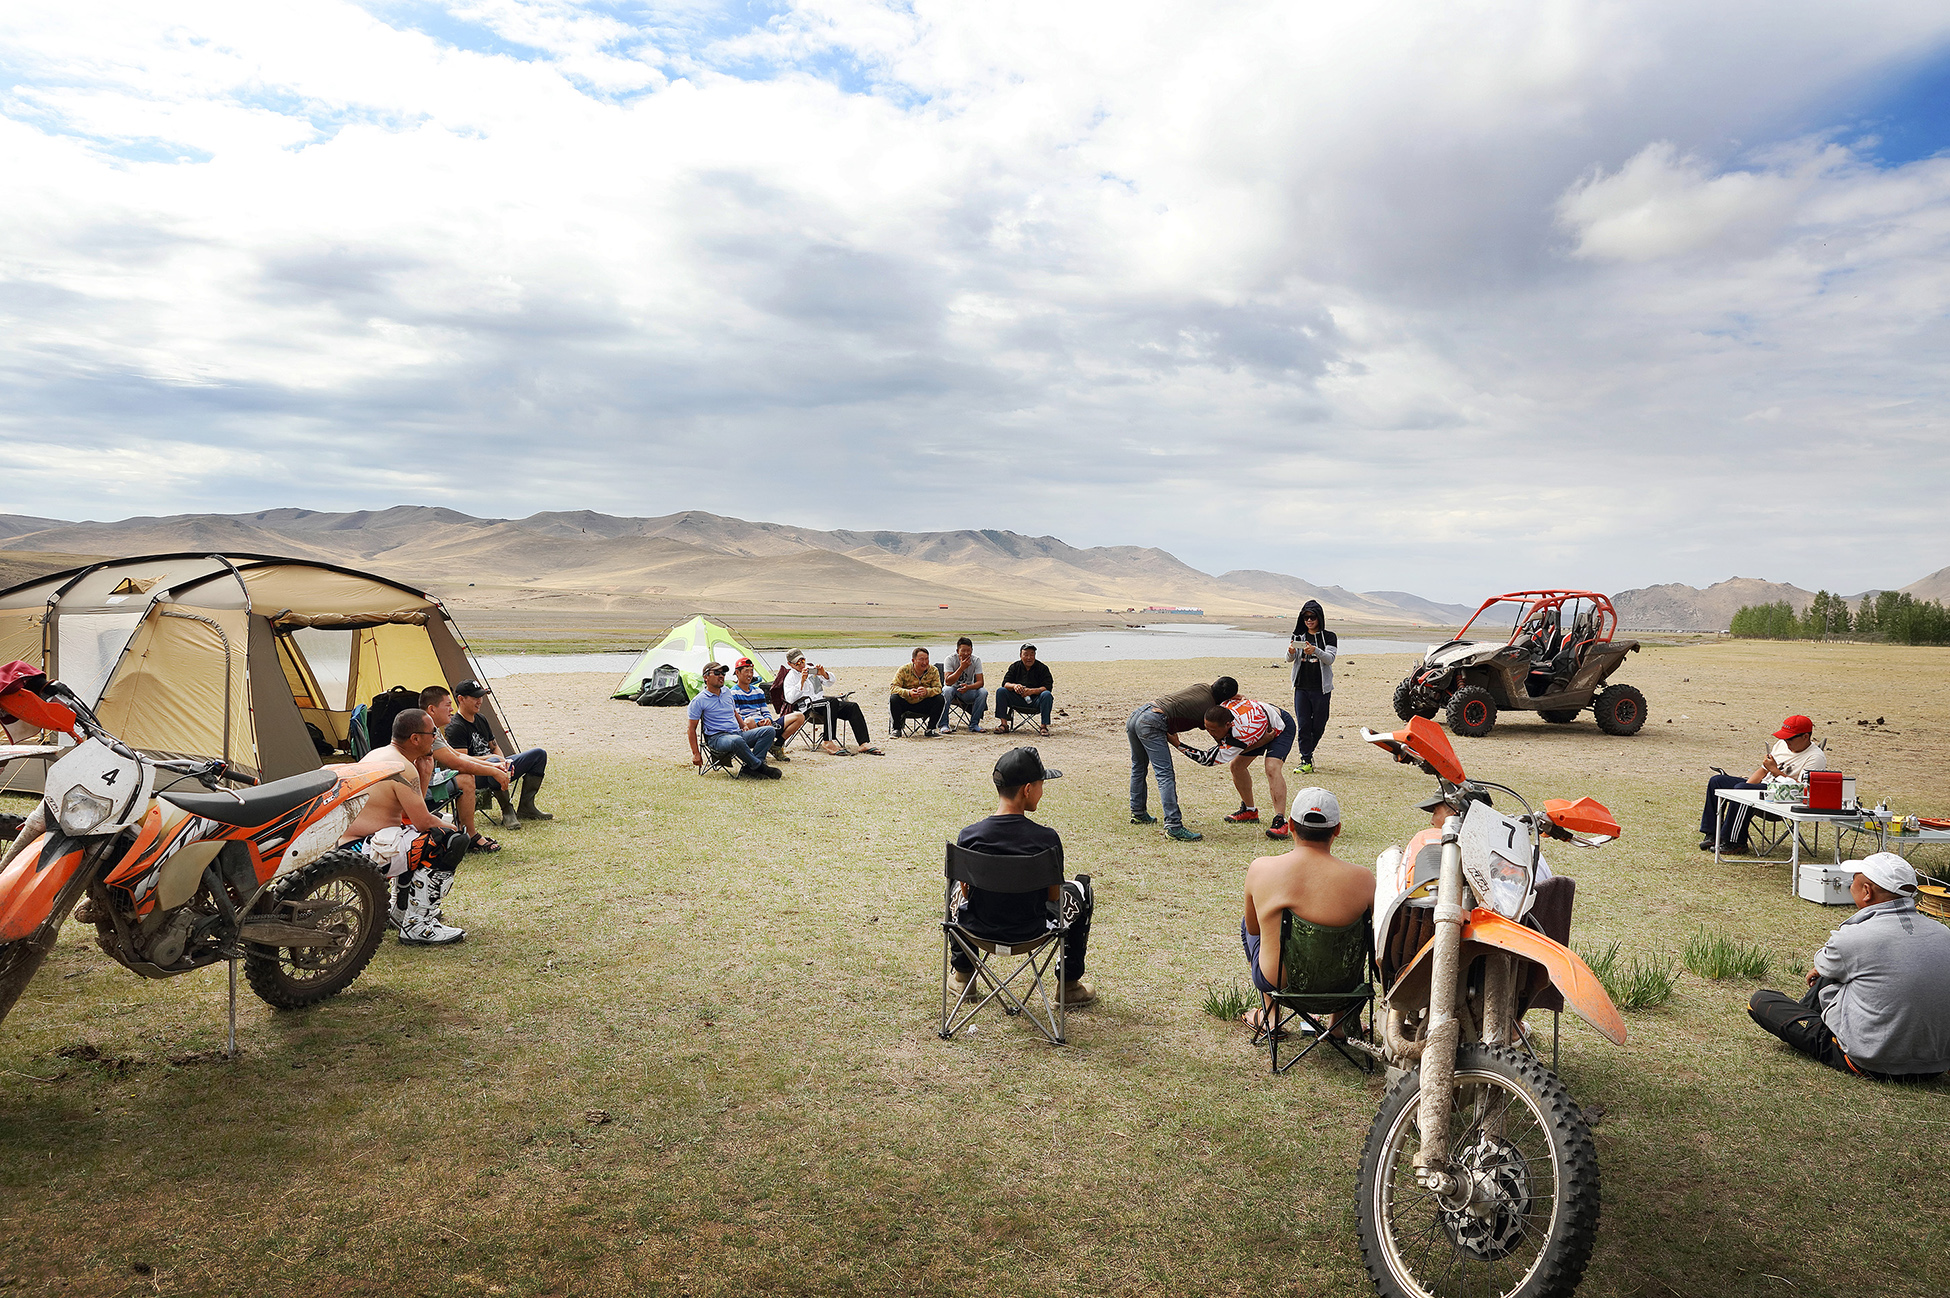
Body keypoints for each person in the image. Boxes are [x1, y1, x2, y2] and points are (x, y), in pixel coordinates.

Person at [1748, 854, 1950, 1081]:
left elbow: (1824, 964)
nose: (1849, 885)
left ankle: (1811, 1022)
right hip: (1935, 1065)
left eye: (1853, 879)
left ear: (1867, 891)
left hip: (1872, 1062)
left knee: (1760, 1001)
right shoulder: (1944, 934)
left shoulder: (1854, 937)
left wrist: (1825, 970)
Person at [949, 746, 1097, 1006]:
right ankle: (1069, 986)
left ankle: (963, 977)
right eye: (1041, 785)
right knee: (1081, 888)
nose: (1042, 792)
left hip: (978, 929)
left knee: (953, 885)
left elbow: (964, 892)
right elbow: (1054, 896)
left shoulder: (969, 837)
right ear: (1027, 789)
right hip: (1032, 930)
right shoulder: (1046, 839)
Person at [1240, 787, 1376, 1032]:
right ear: (1337, 829)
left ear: (1291, 825)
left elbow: (1253, 929)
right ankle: (1338, 1024)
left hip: (1278, 983)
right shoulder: (1364, 879)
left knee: (1252, 924)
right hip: (1343, 987)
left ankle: (1271, 1017)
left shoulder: (1261, 869)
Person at [339, 707, 471, 946]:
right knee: (450, 839)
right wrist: (455, 830)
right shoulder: (402, 767)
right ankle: (417, 925)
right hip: (363, 853)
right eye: (433, 733)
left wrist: (425, 774)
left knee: (419, 836)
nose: (437, 737)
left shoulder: (380, 754)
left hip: (350, 847)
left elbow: (410, 817)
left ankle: (400, 911)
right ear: (415, 739)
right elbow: (423, 822)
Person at [1126, 676, 1239, 842]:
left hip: (1138, 714)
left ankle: (1138, 813)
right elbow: (1215, 730)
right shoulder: (1208, 710)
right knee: (1165, 775)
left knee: (1139, 766)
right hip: (1153, 721)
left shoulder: (1202, 687)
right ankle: (1174, 826)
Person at [1698, 714, 1826, 852]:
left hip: (1782, 797)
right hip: (1764, 787)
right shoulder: (1781, 745)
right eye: (1784, 738)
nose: (1785, 742)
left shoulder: (1815, 757)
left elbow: (1803, 790)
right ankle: (1712, 834)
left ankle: (1735, 842)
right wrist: (1747, 786)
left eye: (1789, 738)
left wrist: (1775, 771)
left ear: (1805, 737)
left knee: (1742, 790)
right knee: (1717, 781)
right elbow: (1763, 771)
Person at [447, 679, 553, 827]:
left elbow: (494, 746)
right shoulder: (455, 726)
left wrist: (504, 764)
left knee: (538, 754)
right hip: (476, 774)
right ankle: (507, 810)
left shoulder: (481, 719)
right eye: (475, 697)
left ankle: (527, 807)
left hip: (496, 766)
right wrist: (494, 761)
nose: (480, 701)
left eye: (481, 697)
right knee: (494, 762)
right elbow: (462, 761)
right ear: (461, 699)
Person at [1187, 697, 1296, 841]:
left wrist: (1177, 744)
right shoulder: (1222, 711)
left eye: (1213, 730)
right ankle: (1250, 811)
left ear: (1228, 724)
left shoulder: (1245, 730)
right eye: (1207, 729)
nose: (1210, 733)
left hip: (1279, 726)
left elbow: (1208, 759)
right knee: (1237, 766)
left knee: (1272, 767)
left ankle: (1280, 820)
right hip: (1258, 728)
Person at [419, 685, 511, 852]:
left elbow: (456, 755)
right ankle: (470, 835)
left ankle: (466, 833)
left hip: (425, 783)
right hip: (418, 791)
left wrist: (494, 764)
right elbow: (457, 763)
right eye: (447, 705)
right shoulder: (424, 731)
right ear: (432, 709)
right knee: (466, 779)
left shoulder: (432, 729)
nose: (452, 709)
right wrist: (494, 770)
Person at [687, 662, 781, 778]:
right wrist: (695, 754)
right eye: (716, 673)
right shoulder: (698, 700)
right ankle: (759, 767)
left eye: (723, 673)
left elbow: (734, 711)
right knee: (736, 740)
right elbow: (691, 729)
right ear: (706, 677)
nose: (721, 676)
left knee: (769, 731)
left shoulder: (727, 691)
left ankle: (749, 769)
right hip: (717, 738)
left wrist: (743, 725)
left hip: (737, 733)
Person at [780, 649, 883, 755]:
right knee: (830, 702)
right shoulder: (790, 678)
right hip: (807, 706)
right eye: (797, 663)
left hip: (822, 702)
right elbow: (790, 699)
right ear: (790, 664)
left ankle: (863, 743)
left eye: (802, 660)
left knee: (852, 706)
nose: (801, 664)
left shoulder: (811, 670)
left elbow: (830, 682)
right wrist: (801, 682)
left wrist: (824, 674)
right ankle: (828, 740)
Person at [1286, 599, 1337, 775]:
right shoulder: (1298, 636)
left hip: (1321, 689)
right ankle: (1305, 759)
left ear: (1319, 618)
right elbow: (1289, 659)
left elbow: (1330, 659)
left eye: (1312, 617)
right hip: (1301, 687)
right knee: (1303, 724)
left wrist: (1315, 650)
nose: (1309, 620)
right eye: (1306, 617)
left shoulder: (1329, 637)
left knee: (1319, 724)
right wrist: (1291, 652)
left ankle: (1308, 751)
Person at [730, 657, 803, 758]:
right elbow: (737, 716)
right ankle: (759, 755)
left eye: (751, 671)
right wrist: (757, 723)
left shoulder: (758, 691)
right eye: (746, 671)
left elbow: (765, 710)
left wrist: (768, 719)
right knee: (750, 721)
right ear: (737, 673)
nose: (750, 674)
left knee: (799, 716)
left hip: (765, 723)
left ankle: (776, 745)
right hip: (750, 727)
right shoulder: (733, 693)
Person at [995, 643, 1055, 735]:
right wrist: (1014, 686)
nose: (1029, 658)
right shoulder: (1015, 666)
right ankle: (1004, 725)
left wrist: (1032, 691)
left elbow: (1048, 687)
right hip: (1018, 700)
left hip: (1036, 701)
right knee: (1001, 691)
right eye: (1026, 655)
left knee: (1047, 695)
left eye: (1031, 654)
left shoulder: (1042, 668)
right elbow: (1005, 683)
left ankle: (1043, 726)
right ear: (1020, 655)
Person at [889, 647, 945, 737]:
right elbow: (893, 687)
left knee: (940, 699)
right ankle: (896, 729)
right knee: (894, 698)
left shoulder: (933, 670)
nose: (924, 662)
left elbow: (938, 688)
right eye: (921, 659)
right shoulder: (904, 670)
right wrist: (908, 692)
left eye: (927, 659)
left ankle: (931, 729)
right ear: (913, 660)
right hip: (906, 703)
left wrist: (927, 691)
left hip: (923, 703)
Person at [941, 636, 988, 733]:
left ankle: (974, 724)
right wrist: (961, 668)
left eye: (968, 651)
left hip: (967, 690)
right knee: (946, 690)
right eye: (963, 651)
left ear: (972, 650)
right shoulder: (950, 659)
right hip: (952, 689)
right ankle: (943, 724)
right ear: (957, 651)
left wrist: (968, 687)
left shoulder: (976, 660)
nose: (966, 653)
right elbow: (948, 681)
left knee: (983, 692)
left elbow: (980, 682)